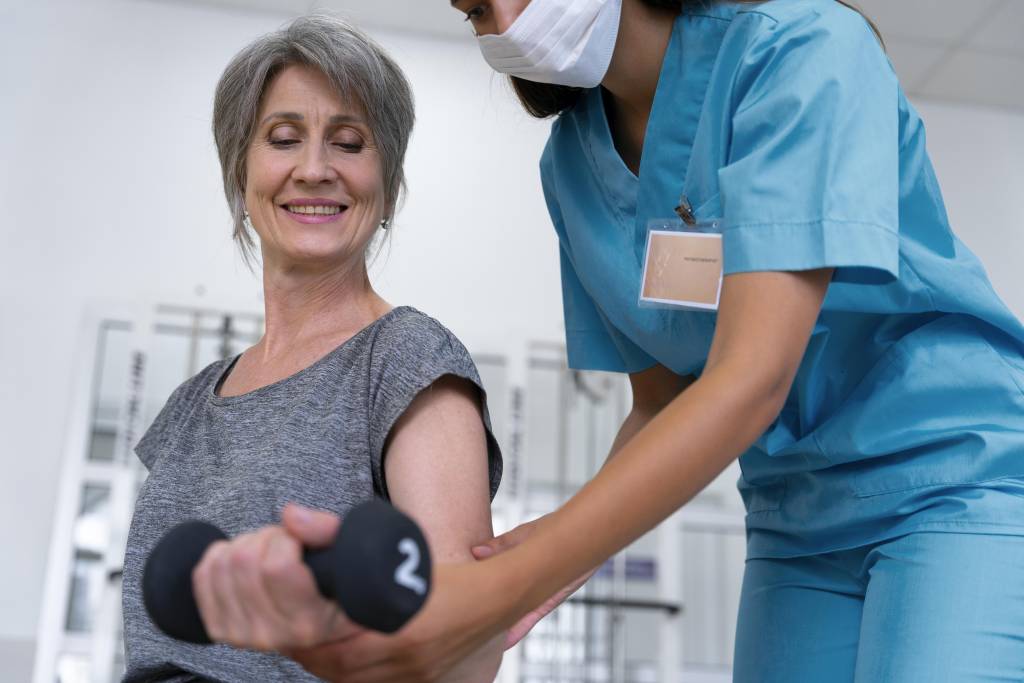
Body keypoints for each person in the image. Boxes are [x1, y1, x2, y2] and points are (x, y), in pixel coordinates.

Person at [270, 0, 1024, 681]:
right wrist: (528, 565)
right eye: (474, 13)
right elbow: (663, 400)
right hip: (795, 517)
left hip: (956, 480)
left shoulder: (804, 48)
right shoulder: (571, 164)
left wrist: (504, 586)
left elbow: (751, 378)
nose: (499, 23)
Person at [119, 15, 504, 682]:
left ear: (387, 187)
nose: (315, 168)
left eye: (349, 143)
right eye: (284, 138)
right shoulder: (191, 404)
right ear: (241, 176)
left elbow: (464, 655)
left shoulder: (407, 358)